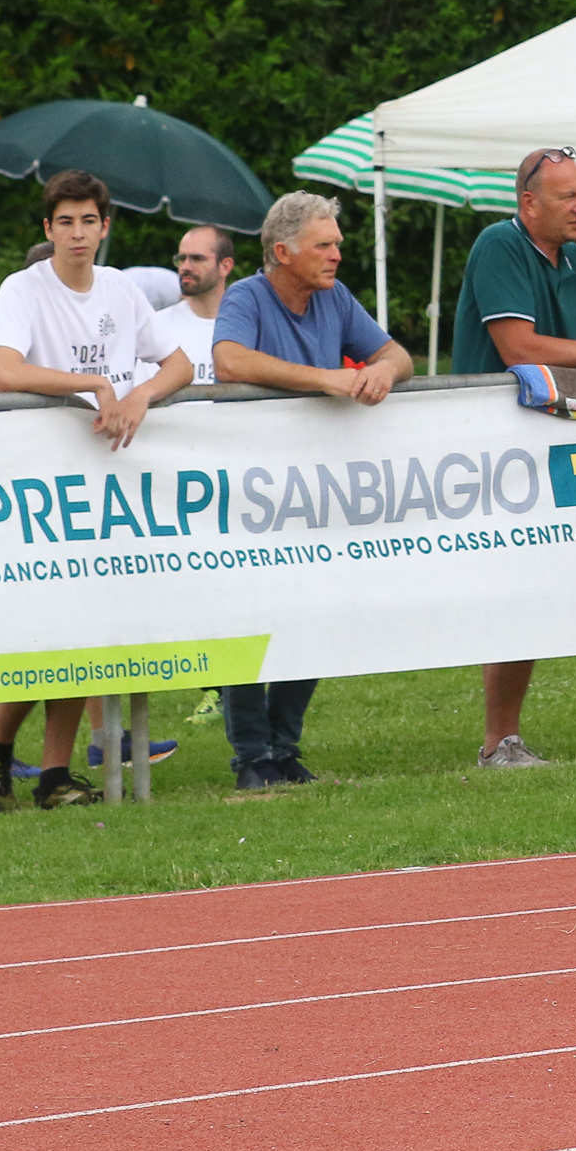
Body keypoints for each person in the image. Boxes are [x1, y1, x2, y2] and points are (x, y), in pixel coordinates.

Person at [0, 170, 195, 814]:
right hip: (38, 480)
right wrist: (92, 383)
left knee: (89, 631)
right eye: (64, 222)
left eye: (88, 221)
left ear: (104, 227)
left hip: (108, 477)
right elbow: (6, 370)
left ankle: (54, 774)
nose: (77, 233)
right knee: (51, 631)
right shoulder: (23, 288)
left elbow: (178, 363)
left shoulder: (120, 288)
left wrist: (139, 396)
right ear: (48, 228)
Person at [209, 192, 412, 788]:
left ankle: (284, 747)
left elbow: (396, 353)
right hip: (250, 490)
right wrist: (325, 379)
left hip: (315, 488)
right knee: (250, 616)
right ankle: (252, 757)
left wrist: (382, 370)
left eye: (337, 245)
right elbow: (228, 362)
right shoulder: (247, 296)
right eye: (324, 246)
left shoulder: (335, 297)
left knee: (315, 612)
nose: (336, 256)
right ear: (282, 253)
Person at [451, 147, 576, 768]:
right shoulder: (499, 245)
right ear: (529, 204)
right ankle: (498, 740)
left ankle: (503, 739)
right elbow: (519, 347)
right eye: (568, 197)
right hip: (489, 444)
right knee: (511, 590)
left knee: (530, 589)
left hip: (544, 440)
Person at [148, 225, 235, 385]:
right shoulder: (157, 325)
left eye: (197, 259)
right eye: (182, 259)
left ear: (225, 266)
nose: (185, 267)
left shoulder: (247, 328)